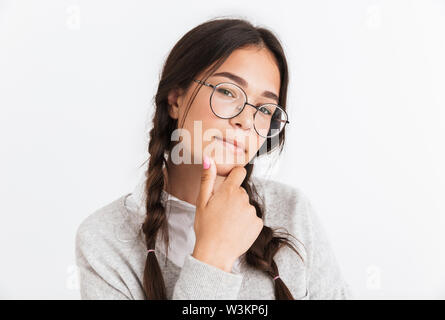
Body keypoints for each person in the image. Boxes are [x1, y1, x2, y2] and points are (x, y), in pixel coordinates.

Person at [75, 17, 352, 300]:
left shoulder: (293, 212)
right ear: (175, 99)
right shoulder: (105, 240)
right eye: (227, 91)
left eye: (265, 109)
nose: (245, 120)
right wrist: (213, 257)